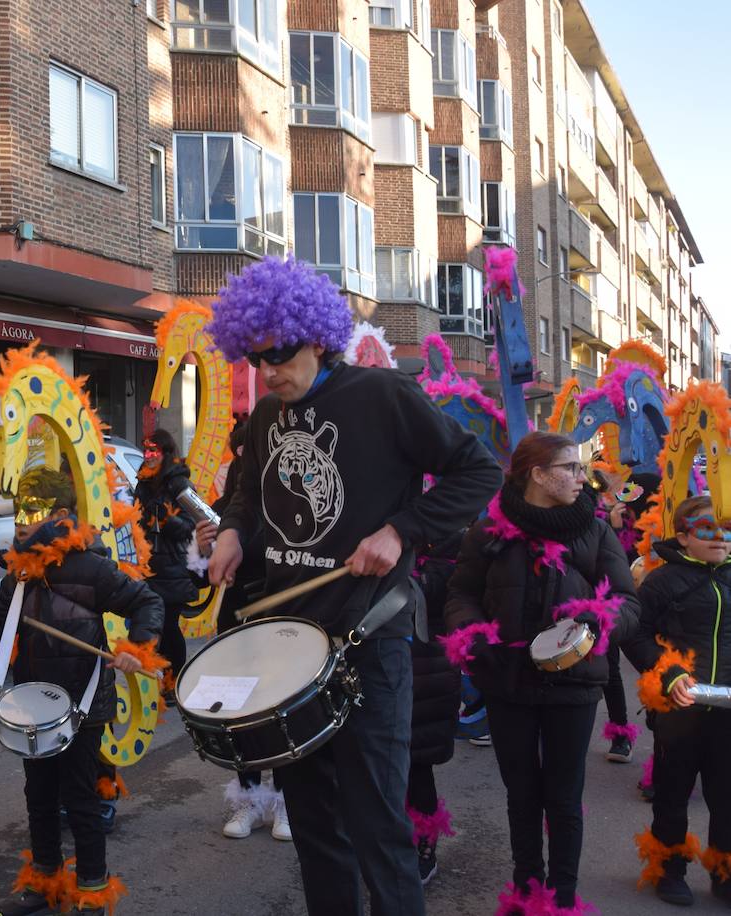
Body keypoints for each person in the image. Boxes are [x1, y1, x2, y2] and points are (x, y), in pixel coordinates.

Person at [204, 255, 502, 916]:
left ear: (314, 336)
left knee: (378, 828)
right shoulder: (264, 420)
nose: (269, 370)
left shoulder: (383, 396)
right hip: (288, 649)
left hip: (368, 642)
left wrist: (402, 529)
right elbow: (245, 501)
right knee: (314, 831)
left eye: (278, 354)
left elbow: (477, 471)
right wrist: (229, 533)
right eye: (255, 359)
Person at [0, 467, 164, 915]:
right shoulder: (17, 574)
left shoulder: (92, 567)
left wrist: (138, 647)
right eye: (18, 511)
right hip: (34, 705)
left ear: (59, 515)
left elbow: (146, 601)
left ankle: (93, 889)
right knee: (38, 797)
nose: (20, 520)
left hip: (84, 704)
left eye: (32, 512)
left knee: (80, 798)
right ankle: (45, 882)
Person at [444, 431, 639, 913]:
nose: (581, 476)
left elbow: (628, 601)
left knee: (564, 796)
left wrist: (599, 620)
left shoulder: (594, 530)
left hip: (573, 684)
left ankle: (563, 899)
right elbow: (459, 592)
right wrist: (471, 633)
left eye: (580, 467)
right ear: (536, 474)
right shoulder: (489, 530)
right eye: (569, 467)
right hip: (507, 682)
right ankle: (527, 892)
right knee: (522, 795)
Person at [626, 494, 731, 907]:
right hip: (678, 707)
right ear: (685, 537)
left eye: (727, 527)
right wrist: (668, 673)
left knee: (728, 796)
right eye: (708, 528)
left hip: (728, 711)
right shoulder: (662, 580)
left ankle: (724, 873)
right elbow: (635, 635)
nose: (721, 536)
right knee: (673, 792)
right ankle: (668, 869)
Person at [209, 419, 291, 843]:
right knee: (240, 716)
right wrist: (207, 545)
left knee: (282, 710)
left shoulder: (290, 502)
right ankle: (248, 799)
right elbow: (202, 581)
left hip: (282, 621)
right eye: (239, 456)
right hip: (238, 618)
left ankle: (284, 802)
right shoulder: (230, 510)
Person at [407, 530, 465, 885]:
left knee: (417, 764)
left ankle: (425, 845)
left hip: (430, 673)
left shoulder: (453, 546)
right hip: (389, 670)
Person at [597, 469, 659, 764]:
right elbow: (612, 565)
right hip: (611, 605)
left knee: (653, 671)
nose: (628, 497)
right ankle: (621, 735)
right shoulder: (607, 520)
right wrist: (615, 527)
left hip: (645, 613)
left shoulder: (661, 525)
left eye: (635, 492)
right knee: (609, 672)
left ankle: (661, 730)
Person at [134, 428, 199, 689]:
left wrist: (165, 519)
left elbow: (194, 525)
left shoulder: (179, 483)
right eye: (145, 450)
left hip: (174, 567)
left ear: (165, 453)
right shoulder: (143, 481)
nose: (148, 455)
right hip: (148, 566)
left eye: (154, 451)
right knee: (154, 625)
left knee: (169, 626)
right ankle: (158, 681)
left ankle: (175, 682)